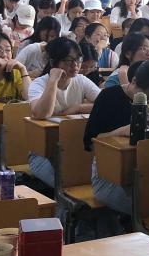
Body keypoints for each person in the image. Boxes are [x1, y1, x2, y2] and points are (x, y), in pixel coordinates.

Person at [84, 60, 149, 215]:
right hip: (108, 178)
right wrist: (120, 131)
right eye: (146, 96)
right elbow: (90, 143)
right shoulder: (109, 97)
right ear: (134, 81)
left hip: (141, 173)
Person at [27, 38, 101, 188]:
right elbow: (41, 114)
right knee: (65, 184)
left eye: (78, 59)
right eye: (68, 60)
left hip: (74, 147)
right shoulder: (38, 84)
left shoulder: (81, 80)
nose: (75, 65)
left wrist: (79, 107)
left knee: (85, 180)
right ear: (53, 62)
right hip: (44, 153)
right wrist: (53, 81)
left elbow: (104, 104)